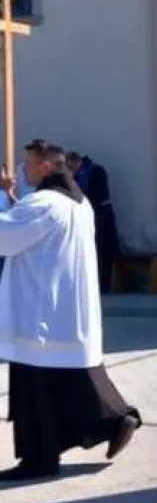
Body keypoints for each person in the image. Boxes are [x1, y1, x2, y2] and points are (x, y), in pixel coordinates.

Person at [0, 140, 141, 482]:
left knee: (39, 394)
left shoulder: (45, 203)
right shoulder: (78, 203)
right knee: (72, 384)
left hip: (40, 314)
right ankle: (114, 420)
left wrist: (4, 198)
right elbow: (26, 227)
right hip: (63, 310)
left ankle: (40, 459)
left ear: (45, 167)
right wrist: (9, 198)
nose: (23, 170)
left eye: (28, 164)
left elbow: (6, 237)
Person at [66, 151, 121, 293]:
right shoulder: (76, 175)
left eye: (69, 165)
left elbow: (98, 194)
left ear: (74, 162)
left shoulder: (95, 171)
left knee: (102, 251)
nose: (69, 169)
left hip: (101, 216)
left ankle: (104, 284)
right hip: (87, 217)